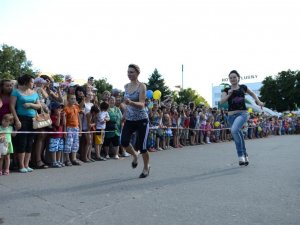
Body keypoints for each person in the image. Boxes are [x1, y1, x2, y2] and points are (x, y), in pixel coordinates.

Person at [220, 70, 264, 166]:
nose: (232, 79)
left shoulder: (243, 87)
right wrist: (229, 94)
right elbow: (222, 101)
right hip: (231, 116)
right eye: (231, 77)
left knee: (234, 130)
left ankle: (240, 157)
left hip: (242, 114)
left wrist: (258, 101)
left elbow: (252, 94)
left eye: (234, 77)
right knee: (237, 134)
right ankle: (245, 155)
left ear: (238, 78)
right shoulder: (226, 90)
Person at [121, 64, 150, 178]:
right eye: (128, 72)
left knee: (142, 147)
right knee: (124, 142)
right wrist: (124, 113)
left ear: (137, 73)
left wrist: (131, 102)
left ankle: (146, 167)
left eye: (132, 72)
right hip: (130, 119)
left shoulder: (141, 86)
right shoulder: (126, 86)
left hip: (142, 119)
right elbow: (125, 104)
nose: (129, 74)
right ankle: (134, 155)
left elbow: (142, 104)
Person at [10, 74, 41, 173]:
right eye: (32, 81)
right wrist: (17, 120)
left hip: (33, 119)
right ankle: (21, 165)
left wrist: (31, 104)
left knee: (30, 142)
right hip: (21, 118)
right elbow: (12, 106)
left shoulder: (34, 93)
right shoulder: (16, 92)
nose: (33, 83)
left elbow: (39, 106)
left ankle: (27, 164)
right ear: (26, 82)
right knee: (22, 142)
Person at [63, 94, 82, 166]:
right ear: (68, 100)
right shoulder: (66, 108)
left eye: (74, 98)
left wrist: (80, 128)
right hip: (69, 128)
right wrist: (65, 131)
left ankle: (74, 158)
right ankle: (67, 159)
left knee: (75, 143)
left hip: (76, 128)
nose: (73, 100)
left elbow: (78, 118)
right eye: (71, 98)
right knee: (68, 143)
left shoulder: (76, 107)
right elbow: (64, 121)